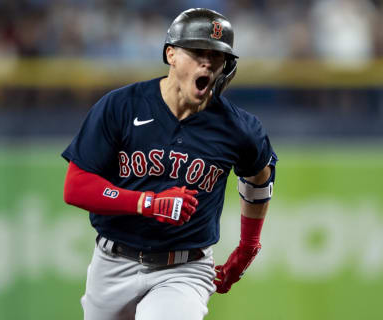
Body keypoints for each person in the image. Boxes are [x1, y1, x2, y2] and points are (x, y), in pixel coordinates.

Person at [62, 8, 277, 320]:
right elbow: (76, 187)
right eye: (197, 51)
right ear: (171, 54)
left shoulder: (239, 128)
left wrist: (248, 247)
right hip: (112, 263)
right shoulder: (122, 106)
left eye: (216, 55)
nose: (207, 62)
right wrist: (148, 203)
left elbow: (260, 179)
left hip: (184, 269)